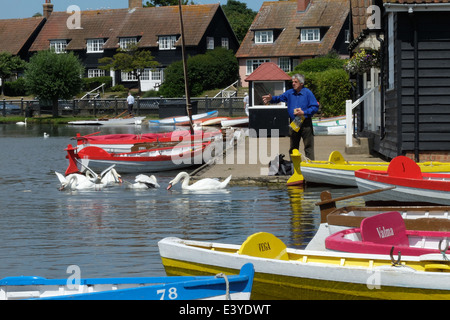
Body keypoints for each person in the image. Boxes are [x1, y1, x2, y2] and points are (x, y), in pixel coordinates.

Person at [262, 74, 319, 160]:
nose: (293, 83)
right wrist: (271, 99)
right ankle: (293, 167)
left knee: (308, 146)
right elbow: (279, 98)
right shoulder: (290, 93)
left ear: (301, 83)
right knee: (293, 147)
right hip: (294, 122)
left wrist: (304, 112)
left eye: (295, 82)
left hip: (305, 122)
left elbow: (315, 107)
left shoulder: (308, 93)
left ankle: (310, 167)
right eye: (292, 82)